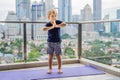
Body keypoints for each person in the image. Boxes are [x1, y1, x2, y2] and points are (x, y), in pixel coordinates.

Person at [43, 9, 66, 74]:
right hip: (50, 42)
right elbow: (44, 29)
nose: (54, 17)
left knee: (58, 55)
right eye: (52, 16)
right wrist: (52, 27)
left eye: (55, 16)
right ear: (49, 17)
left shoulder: (58, 21)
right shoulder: (48, 23)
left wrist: (57, 26)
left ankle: (59, 68)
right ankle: (50, 69)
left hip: (57, 41)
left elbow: (64, 24)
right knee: (50, 56)